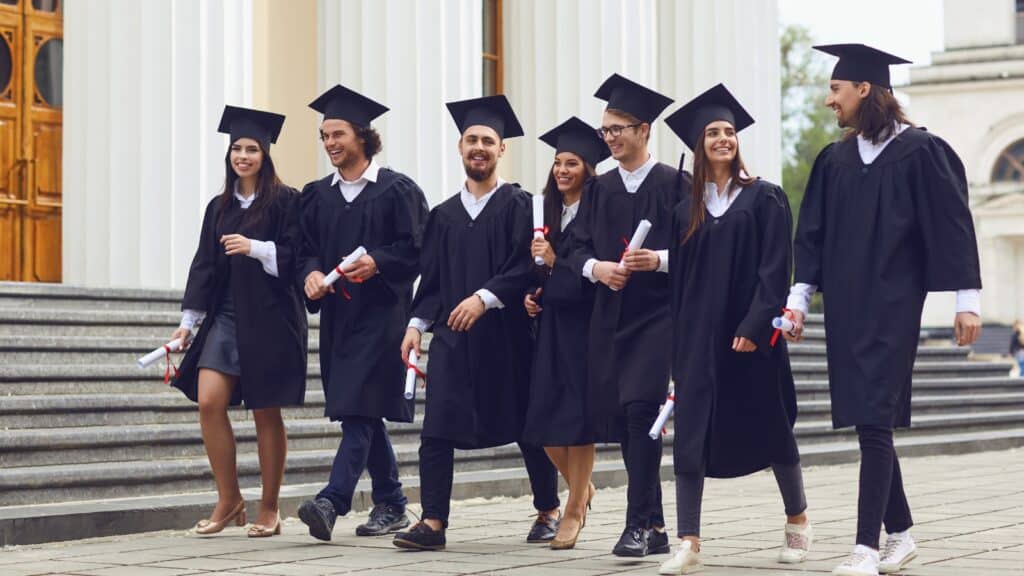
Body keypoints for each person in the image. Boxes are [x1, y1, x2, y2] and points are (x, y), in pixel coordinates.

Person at [783, 44, 982, 576]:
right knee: (868, 422)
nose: (830, 101)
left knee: (873, 416)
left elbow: (952, 225)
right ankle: (901, 534)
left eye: (835, 90)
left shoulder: (920, 152)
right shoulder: (835, 160)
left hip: (894, 304)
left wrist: (967, 301)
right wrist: (798, 300)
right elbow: (813, 236)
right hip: (846, 306)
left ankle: (865, 548)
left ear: (863, 90)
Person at [392, 95, 560, 551]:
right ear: (460, 147)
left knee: (527, 427)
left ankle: (547, 509)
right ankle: (432, 522)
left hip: (507, 338)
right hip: (454, 339)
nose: (479, 147)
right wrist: (415, 325)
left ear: (501, 149)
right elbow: (432, 281)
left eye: (488, 140)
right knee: (436, 430)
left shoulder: (522, 205)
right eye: (472, 140)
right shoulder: (443, 215)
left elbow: (528, 268)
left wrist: (484, 299)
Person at [658, 84, 811, 575]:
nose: (723, 138)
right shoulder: (685, 211)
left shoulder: (764, 197)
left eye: (728, 132)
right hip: (699, 338)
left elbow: (775, 268)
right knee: (691, 436)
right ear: (699, 145)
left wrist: (752, 323)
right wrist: (678, 346)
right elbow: (680, 282)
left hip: (752, 337)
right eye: (712, 133)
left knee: (770, 427)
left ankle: (798, 520)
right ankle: (688, 541)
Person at [296, 84, 429, 541]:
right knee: (363, 412)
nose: (331, 143)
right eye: (325, 136)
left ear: (362, 137)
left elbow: (419, 252)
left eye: (338, 134)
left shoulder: (398, 191)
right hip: (339, 320)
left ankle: (331, 502)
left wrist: (379, 263)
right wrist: (310, 276)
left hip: (384, 317)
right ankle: (391, 502)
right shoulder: (316, 197)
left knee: (358, 410)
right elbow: (304, 251)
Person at [171, 105, 307, 538]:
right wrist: (187, 323)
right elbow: (204, 266)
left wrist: (255, 247)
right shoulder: (220, 206)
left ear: (265, 155)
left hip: (271, 317)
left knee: (265, 411)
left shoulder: (287, 201)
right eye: (236, 148)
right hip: (227, 317)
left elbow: (298, 258)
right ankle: (229, 500)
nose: (242, 156)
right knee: (209, 400)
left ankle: (269, 508)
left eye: (251, 149)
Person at [566, 73, 682, 557]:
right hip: (609, 317)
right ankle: (654, 526)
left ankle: (636, 525)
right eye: (605, 131)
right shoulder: (598, 189)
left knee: (641, 415)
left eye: (619, 129)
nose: (610, 138)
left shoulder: (677, 184)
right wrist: (600, 268)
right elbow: (573, 248)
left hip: (657, 317)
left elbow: (698, 251)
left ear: (644, 130)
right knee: (624, 421)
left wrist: (656, 259)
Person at [522, 116, 610, 549]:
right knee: (541, 424)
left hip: (585, 327)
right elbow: (540, 274)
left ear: (587, 170)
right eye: (557, 163)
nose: (561, 170)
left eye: (571, 163)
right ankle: (582, 488)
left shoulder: (597, 214)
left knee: (579, 421)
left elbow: (587, 275)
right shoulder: (550, 213)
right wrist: (532, 295)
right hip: (551, 326)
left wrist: (556, 261)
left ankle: (574, 509)